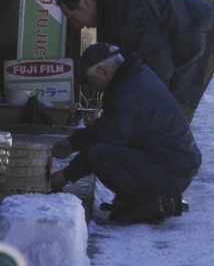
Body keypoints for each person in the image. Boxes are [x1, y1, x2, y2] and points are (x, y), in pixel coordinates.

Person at [49, 43, 201, 225]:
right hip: (175, 165)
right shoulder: (133, 78)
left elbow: (106, 139)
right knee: (104, 149)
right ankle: (146, 198)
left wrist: (65, 176)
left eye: (91, 80)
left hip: (173, 173)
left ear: (103, 72)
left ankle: (147, 205)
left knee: (99, 155)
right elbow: (108, 126)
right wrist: (73, 143)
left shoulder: (130, 91)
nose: (93, 86)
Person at [57, 0, 214, 123]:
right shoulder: (108, 14)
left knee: (170, 113)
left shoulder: (122, 10)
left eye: (72, 17)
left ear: (85, 2)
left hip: (202, 33)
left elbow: (158, 58)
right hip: (184, 38)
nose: (75, 25)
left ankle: (171, 149)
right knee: (155, 112)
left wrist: (149, 99)